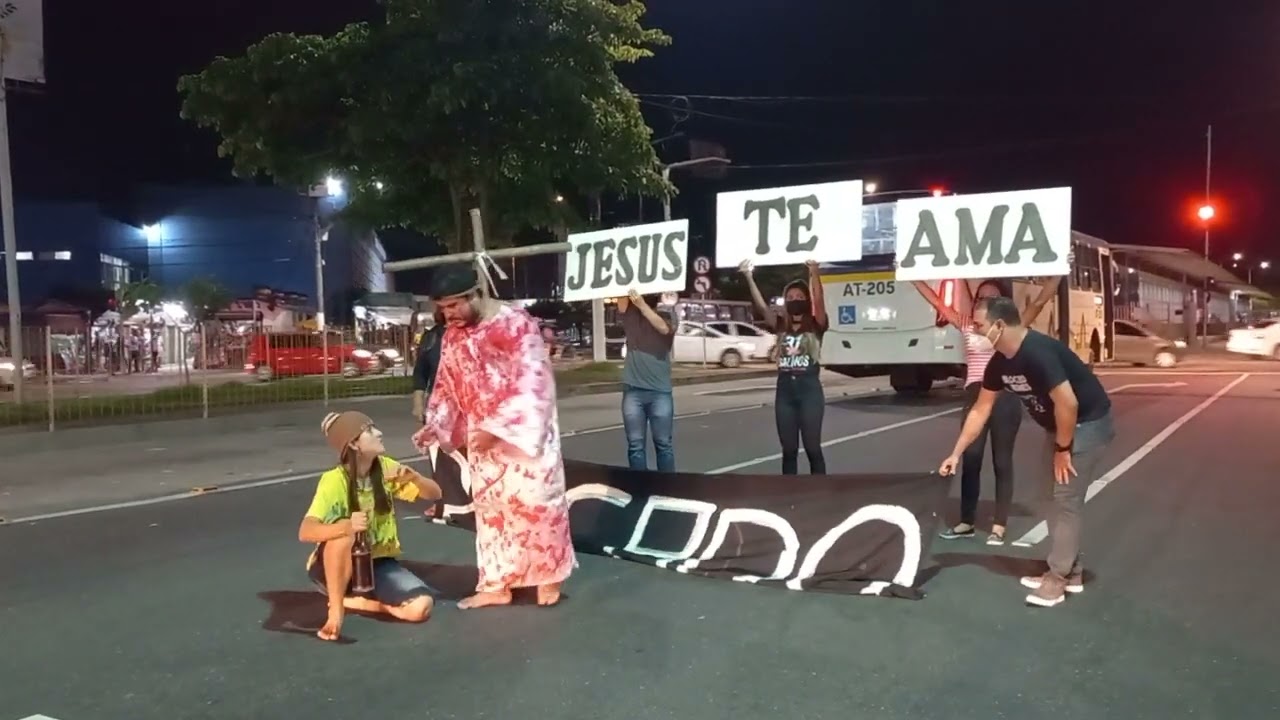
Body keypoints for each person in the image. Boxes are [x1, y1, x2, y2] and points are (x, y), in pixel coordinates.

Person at [411, 263, 576, 610]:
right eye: (443, 308)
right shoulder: (454, 334)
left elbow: (534, 381)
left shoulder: (516, 324)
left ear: (475, 294)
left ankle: (548, 576)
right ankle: (497, 584)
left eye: (455, 305)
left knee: (536, 506)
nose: (449, 314)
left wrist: (497, 428)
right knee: (493, 513)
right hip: (481, 437)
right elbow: (447, 383)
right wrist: (438, 423)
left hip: (523, 438)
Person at [938, 296, 1114, 608]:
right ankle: (1070, 570)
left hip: (1087, 424)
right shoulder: (1000, 362)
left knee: (1066, 499)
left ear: (999, 325)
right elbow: (981, 409)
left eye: (979, 326)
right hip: (1060, 427)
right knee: (1046, 496)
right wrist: (956, 453)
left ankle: (1057, 578)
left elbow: (1068, 403)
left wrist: (1063, 448)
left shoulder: (1037, 352)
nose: (974, 332)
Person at [911, 276, 1060, 545]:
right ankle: (966, 521)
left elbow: (1039, 301)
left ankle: (999, 526)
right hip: (974, 394)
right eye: (981, 297)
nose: (985, 302)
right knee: (971, 458)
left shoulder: (1009, 326)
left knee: (1002, 462)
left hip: (1004, 397)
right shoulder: (968, 324)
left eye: (992, 298)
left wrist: (1060, 271)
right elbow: (934, 299)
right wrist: (909, 275)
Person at [299, 410, 444, 641]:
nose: (379, 433)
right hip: (336, 564)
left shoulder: (385, 468)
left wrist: (414, 478)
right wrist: (345, 527)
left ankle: (356, 601)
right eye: (369, 430)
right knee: (345, 536)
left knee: (421, 607)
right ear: (354, 444)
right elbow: (306, 531)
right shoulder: (334, 480)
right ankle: (336, 610)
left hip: (376, 563)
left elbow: (435, 494)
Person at [739, 259, 829, 475]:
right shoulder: (781, 325)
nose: (794, 300)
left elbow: (819, 298)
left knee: (812, 448)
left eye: (799, 297)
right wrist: (748, 276)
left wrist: (814, 272)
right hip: (785, 394)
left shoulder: (816, 325)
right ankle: (790, 496)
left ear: (806, 300)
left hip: (810, 393)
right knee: (788, 450)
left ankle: (821, 492)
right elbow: (761, 306)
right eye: (790, 298)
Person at [617, 289, 677, 471]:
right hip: (633, 391)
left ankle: (668, 489)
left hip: (660, 392)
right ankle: (640, 488)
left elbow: (663, 328)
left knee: (663, 444)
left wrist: (642, 305)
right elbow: (619, 298)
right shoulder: (630, 313)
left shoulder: (668, 313)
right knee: (635, 446)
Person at [412, 307, 447, 422]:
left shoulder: (474, 334)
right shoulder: (431, 337)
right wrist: (418, 404)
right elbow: (420, 372)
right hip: (439, 405)